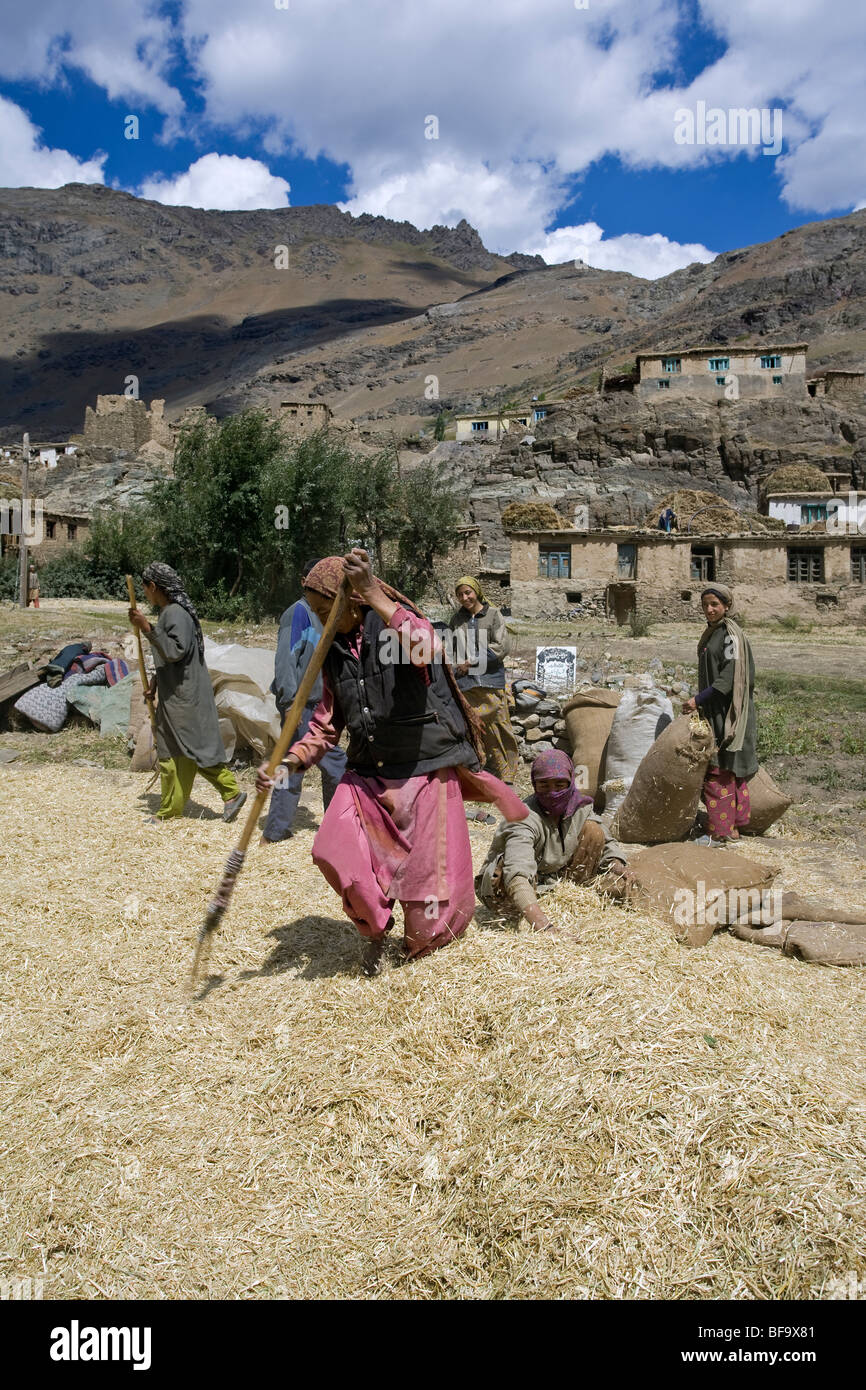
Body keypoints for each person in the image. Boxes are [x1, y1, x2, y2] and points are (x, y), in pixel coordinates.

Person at [255, 549, 527, 975]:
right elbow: (326, 726)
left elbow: (428, 649)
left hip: (424, 767)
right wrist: (289, 763)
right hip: (369, 772)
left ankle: (420, 950)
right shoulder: (333, 651)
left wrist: (371, 591)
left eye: (325, 609)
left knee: (426, 889)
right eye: (314, 611)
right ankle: (375, 931)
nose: (320, 620)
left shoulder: (392, 629)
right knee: (334, 850)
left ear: (351, 601)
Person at [130, 562, 247, 824]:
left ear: (154, 587)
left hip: (185, 696)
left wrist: (146, 627)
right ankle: (172, 809)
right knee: (174, 749)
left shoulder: (174, 614)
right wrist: (155, 683)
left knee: (189, 749)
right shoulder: (169, 613)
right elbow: (170, 657)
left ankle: (230, 793)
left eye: (146, 589)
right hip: (177, 694)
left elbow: (175, 651)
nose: (145, 594)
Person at [476, 749, 631, 935]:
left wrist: (617, 865)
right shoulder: (523, 817)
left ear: (571, 781)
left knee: (593, 830)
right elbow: (517, 872)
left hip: (553, 879)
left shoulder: (581, 807)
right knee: (505, 876)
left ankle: (562, 894)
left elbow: (607, 842)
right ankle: (531, 909)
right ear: (534, 784)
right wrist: (543, 925)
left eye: (560, 784)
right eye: (544, 785)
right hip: (509, 889)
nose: (553, 793)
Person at [260, 558, 347, 844]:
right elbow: (286, 658)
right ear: (304, 583)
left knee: (294, 767)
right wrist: (288, 704)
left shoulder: (325, 615)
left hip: (319, 704)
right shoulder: (298, 613)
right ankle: (334, 826)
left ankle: (278, 830)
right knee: (334, 765)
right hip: (301, 704)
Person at [683, 584, 757, 844]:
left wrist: (697, 699)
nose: (710, 609)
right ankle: (734, 827)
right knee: (728, 767)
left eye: (715, 604)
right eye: (705, 605)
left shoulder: (730, 636)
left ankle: (722, 830)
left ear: (727, 606)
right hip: (715, 707)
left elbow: (728, 677)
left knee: (720, 769)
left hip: (729, 712)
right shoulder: (712, 634)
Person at [449, 575, 520, 788]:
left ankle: (507, 774)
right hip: (467, 684)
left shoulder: (493, 615)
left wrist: (471, 663)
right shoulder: (457, 620)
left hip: (490, 681)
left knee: (499, 726)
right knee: (472, 727)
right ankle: (479, 770)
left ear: (476, 592)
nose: (464, 597)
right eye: (460, 594)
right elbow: (452, 650)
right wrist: (455, 668)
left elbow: (501, 647)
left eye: (468, 592)